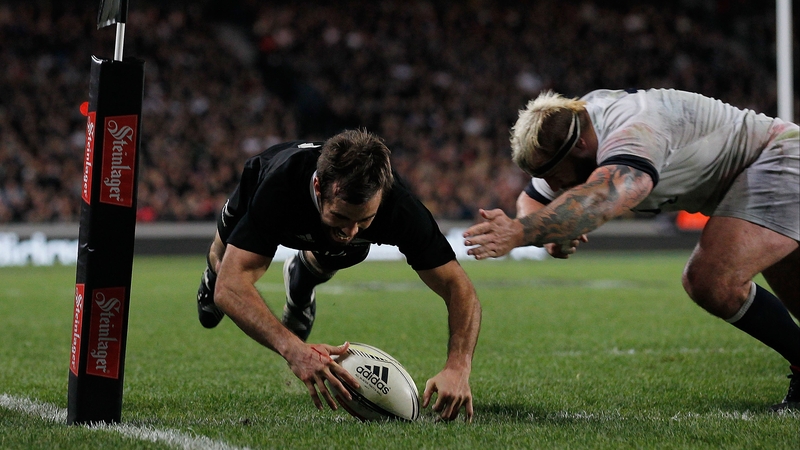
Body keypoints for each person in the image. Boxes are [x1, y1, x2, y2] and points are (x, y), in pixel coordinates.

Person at [463, 88, 799, 411]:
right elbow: (533, 199)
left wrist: (521, 232)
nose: (551, 184)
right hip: (757, 172)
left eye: (551, 173)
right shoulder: (573, 132)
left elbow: (602, 198)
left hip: (778, 156)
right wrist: (549, 231)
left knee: (711, 279)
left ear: (579, 145)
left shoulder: (634, 128)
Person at [196, 129, 481, 421]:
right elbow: (231, 286)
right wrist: (295, 351)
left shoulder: (400, 207)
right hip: (260, 184)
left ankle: (302, 280)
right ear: (319, 187)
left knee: (353, 249)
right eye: (342, 216)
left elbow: (457, 285)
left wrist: (458, 367)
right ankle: (212, 268)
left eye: (365, 219)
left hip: (329, 234)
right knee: (221, 264)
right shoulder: (281, 187)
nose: (351, 230)